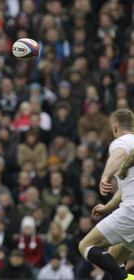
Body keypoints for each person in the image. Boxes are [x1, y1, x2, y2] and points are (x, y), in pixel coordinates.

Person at [78, 109, 134, 280]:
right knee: (114, 260)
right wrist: (108, 207)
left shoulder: (123, 141)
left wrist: (105, 176)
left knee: (86, 245)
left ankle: (126, 279)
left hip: (131, 212)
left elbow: (118, 156)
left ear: (115, 128)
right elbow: (126, 188)